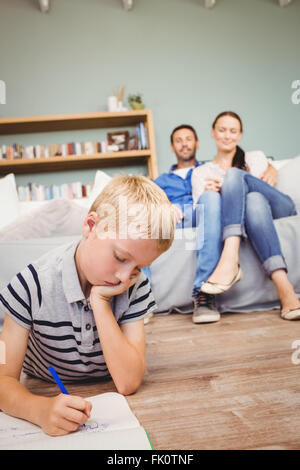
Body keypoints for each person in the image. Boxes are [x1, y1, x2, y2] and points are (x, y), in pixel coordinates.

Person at [0, 175, 175, 436]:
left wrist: (100, 302)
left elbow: (128, 382)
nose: (124, 277)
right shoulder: (30, 284)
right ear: (91, 226)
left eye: (138, 267)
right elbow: (3, 381)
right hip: (44, 384)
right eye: (120, 257)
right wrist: (39, 410)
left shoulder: (134, 286)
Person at [155, 124, 277, 324]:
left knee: (210, 198)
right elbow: (147, 198)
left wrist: (272, 167)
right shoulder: (161, 180)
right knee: (138, 223)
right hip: (177, 217)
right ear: (172, 147)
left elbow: (245, 175)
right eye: (178, 140)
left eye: (188, 139)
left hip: (209, 211)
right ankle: (139, 303)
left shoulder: (208, 169)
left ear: (197, 143)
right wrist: (164, 206)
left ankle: (203, 292)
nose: (184, 144)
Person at [192, 111, 299, 320]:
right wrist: (217, 194)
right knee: (253, 201)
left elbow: (268, 184)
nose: (227, 135)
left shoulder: (255, 157)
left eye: (233, 131)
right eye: (222, 130)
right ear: (213, 133)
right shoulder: (202, 172)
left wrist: (272, 169)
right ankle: (285, 289)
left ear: (240, 135)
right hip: (255, 211)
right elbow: (202, 211)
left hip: (278, 207)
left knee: (237, 178)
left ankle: (230, 258)